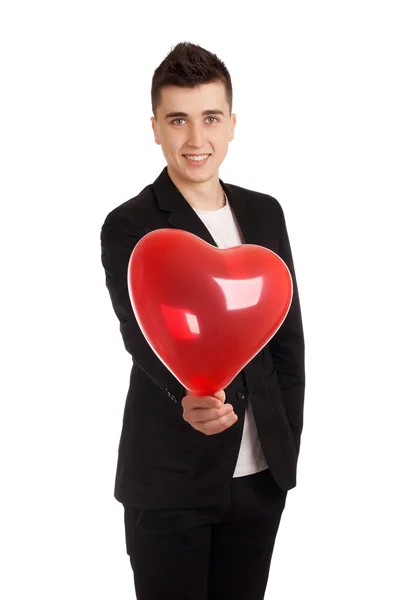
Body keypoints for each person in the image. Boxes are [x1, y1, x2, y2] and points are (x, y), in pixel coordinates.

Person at [100, 41, 305, 600]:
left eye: (211, 118)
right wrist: (184, 396)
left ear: (232, 123)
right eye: (178, 120)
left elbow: (288, 341)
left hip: (260, 477)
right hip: (169, 480)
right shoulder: (130, 225)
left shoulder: (264, 212)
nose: (196, 140)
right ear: (155, 127)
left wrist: (284, 446)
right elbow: (138, 335)